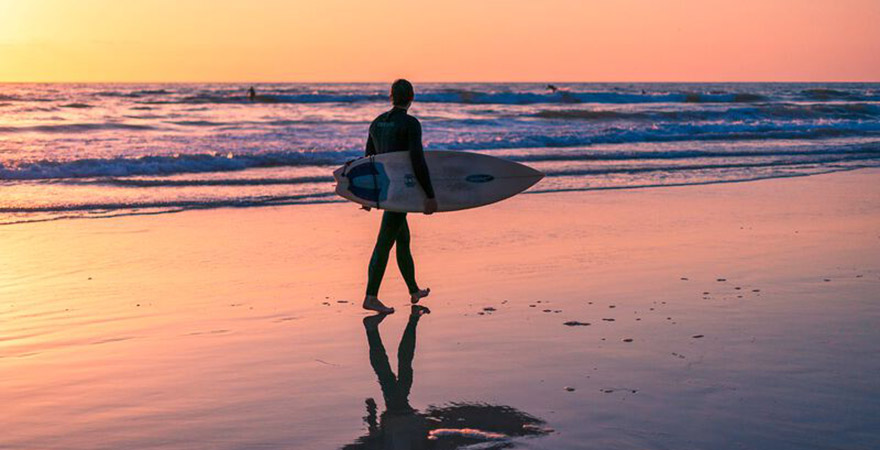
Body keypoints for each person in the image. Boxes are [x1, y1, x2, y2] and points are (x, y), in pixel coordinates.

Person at [362, 79, 436, 314]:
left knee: (402, 239)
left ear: (391, 96)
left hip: (385, 190)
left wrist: (368, 197)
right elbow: (417, 160)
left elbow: (368, 161)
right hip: (401, 191)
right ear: (411, 97)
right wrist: (429, 195)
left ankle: (414, 290)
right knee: (384, 243)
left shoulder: (376, 123)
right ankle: (371, 296)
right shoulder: (410, 124)